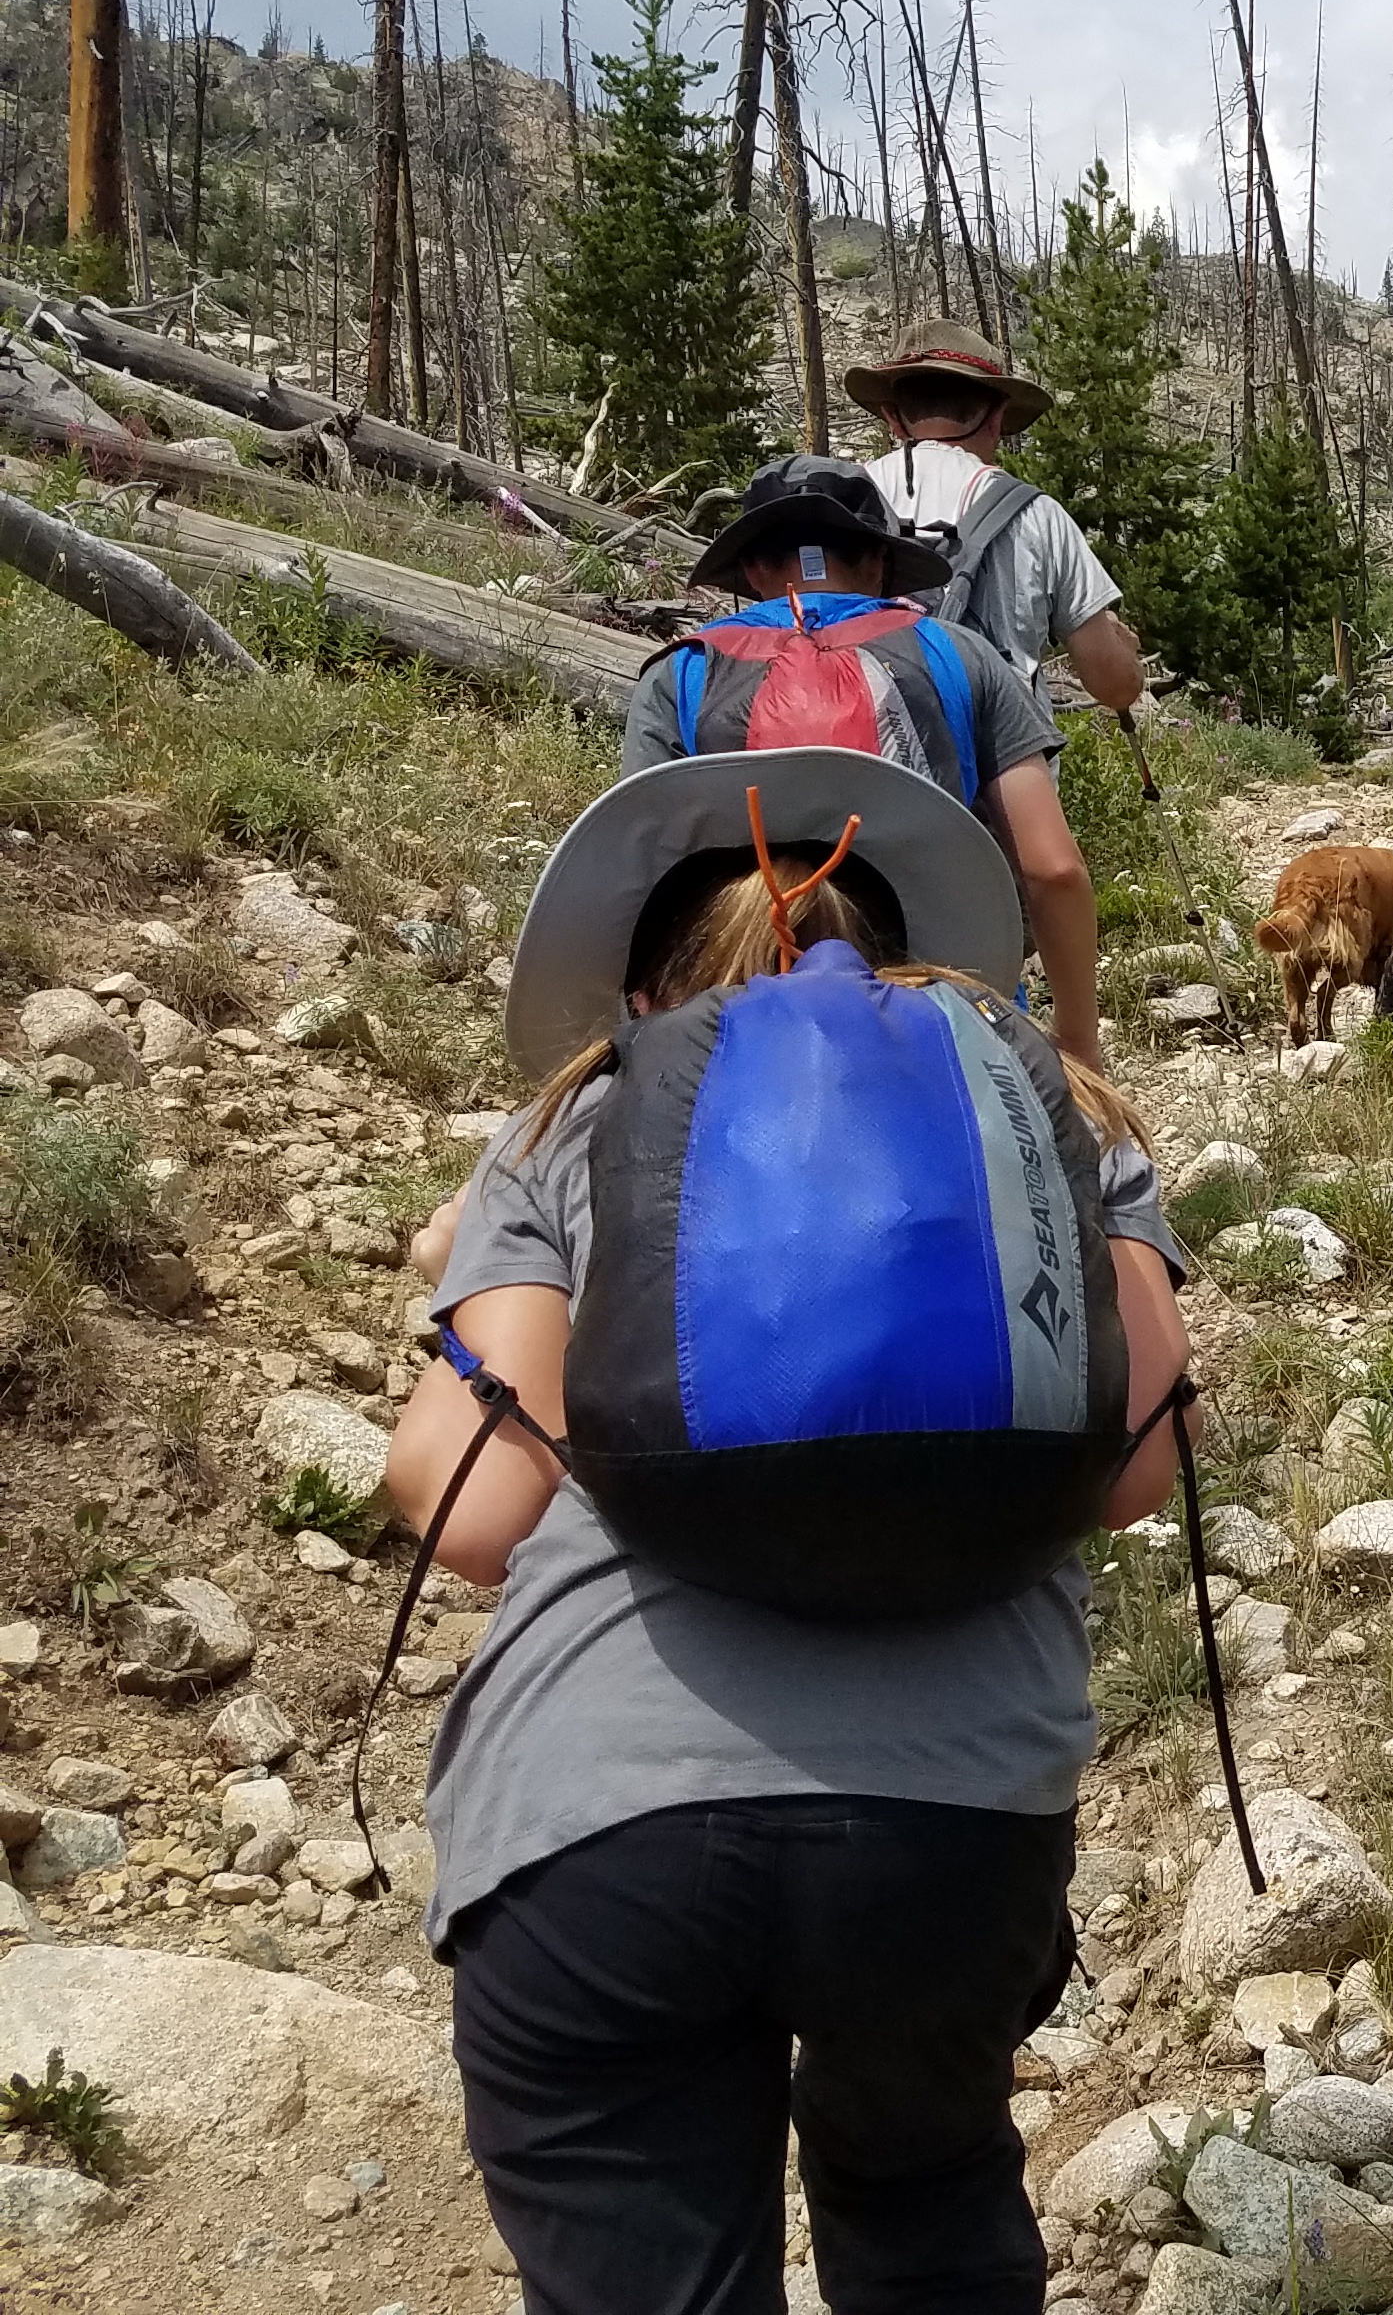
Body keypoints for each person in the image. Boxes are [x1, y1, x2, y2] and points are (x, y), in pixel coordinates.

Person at [383, 747, 1194, 2315]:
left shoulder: (579, 1123)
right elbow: (1141, 1469)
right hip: (956, 1830)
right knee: (928, 2188)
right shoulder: (1055, 1122)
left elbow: (481, 1512)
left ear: (639, 994)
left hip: (601, 1821)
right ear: (911, 966)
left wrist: (451, 1323)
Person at [623, 451, 1107, 1071]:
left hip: (735, 1021)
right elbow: (1054, 871)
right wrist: (1078, 1043)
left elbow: (642, 878)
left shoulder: (680, 674)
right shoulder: (962, 655)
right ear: (880, 564)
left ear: (750, 570)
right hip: (947, 1011)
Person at [845, 318, 1149, 722]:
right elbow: (1114, 686)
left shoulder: (843, 501)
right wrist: (1124, 653)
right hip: (1009, 776)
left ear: (892, 419)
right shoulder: (1036, 514)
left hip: (876, 765)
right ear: (997, 417)